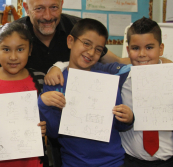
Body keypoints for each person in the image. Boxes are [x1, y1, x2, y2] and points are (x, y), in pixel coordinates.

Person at [0, 0, 130, 74]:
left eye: (53, 7)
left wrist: (149, 59)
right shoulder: (11, 34)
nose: (48, 16)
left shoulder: (79, 29)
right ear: (26, 8)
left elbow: (117, 61)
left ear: (61, 5)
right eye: (39, 8)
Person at [38, 18, 134, 167]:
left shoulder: (107, 80)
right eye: (86, 43)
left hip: (113, 162)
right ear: (70, 41)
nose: (90, 52)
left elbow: (118, 125)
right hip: (74, 162)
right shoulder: (55, 82)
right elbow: (53, 133)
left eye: (98, 49)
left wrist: (128, 118)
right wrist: (43, 103)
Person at [0, 22, 47, 167]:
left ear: (30, 50)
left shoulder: (41, 79)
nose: (13, 57)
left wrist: (45, 126)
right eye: (6, 49)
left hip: (32, 162)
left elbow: (50, 117)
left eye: (20, 49)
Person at [119, 17, 173, 166]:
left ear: (160, 49)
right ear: (128, 50)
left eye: (149, 47)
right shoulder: (121, 81)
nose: (142, 54)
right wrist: (58, 66)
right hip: (131, 159)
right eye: (136, 48)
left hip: (168, 159)